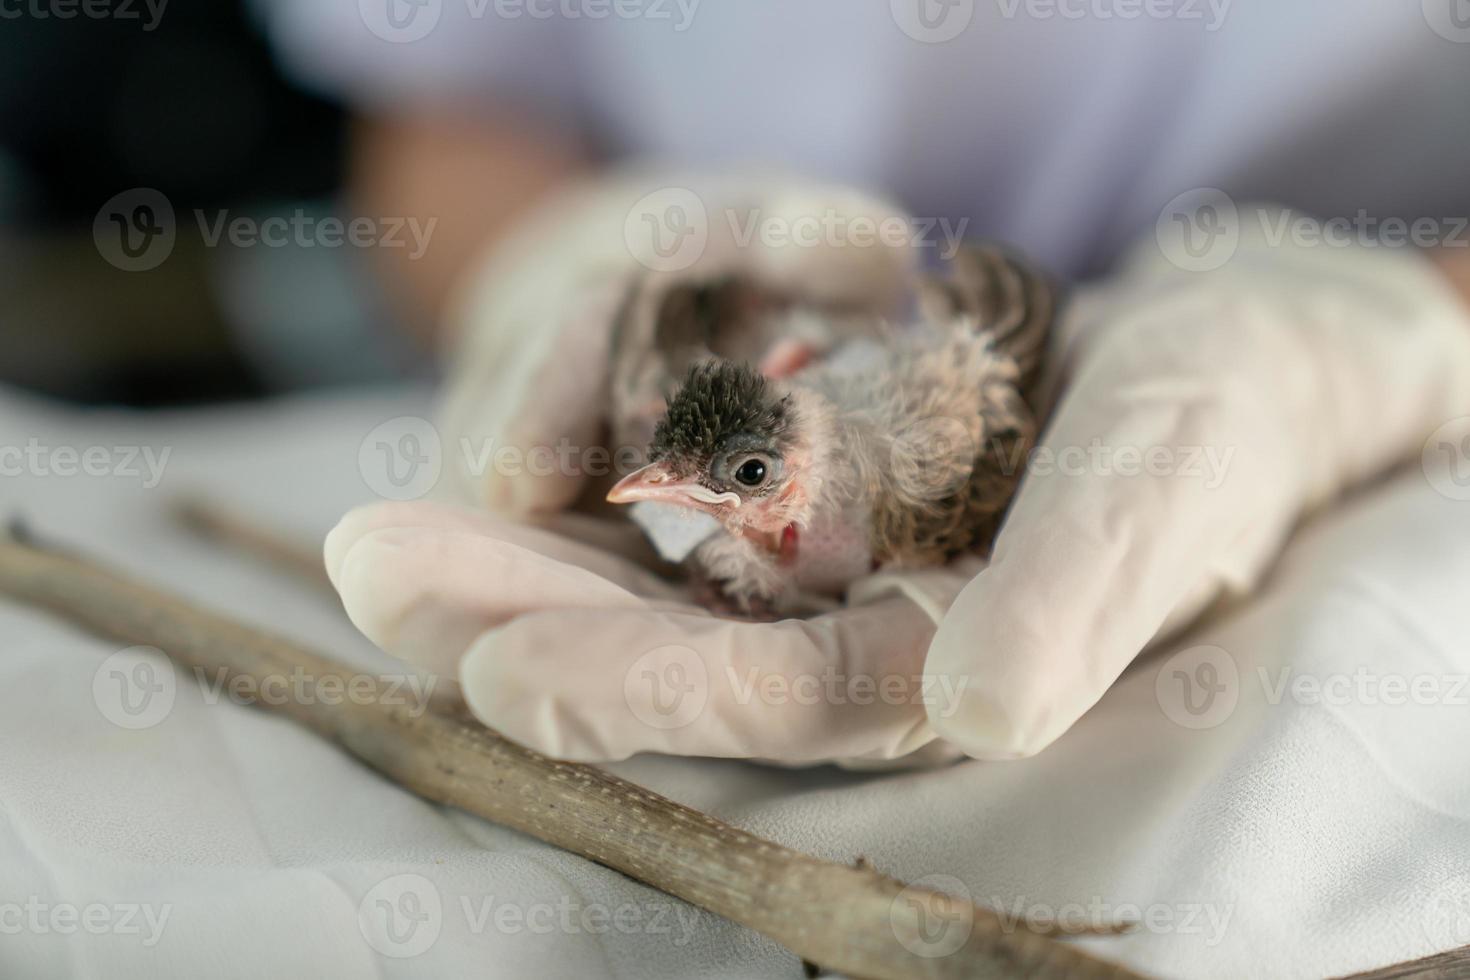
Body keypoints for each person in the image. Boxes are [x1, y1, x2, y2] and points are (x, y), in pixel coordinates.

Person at [275, 1, 1470, 764]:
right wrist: (540, 263)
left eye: (732, 478)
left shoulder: (903, 480)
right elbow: (450, 101)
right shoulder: (757, 501)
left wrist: (1378, 340)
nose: (687, 501)